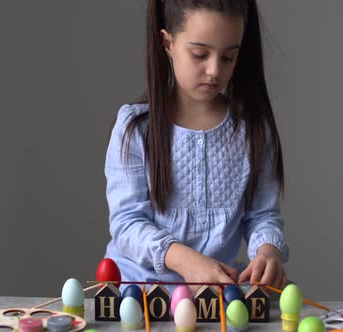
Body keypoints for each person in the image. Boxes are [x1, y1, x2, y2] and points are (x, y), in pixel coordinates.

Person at [103, 0, 289, 292]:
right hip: (139, 291)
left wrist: (267, 252)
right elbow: (127, 223)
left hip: (211, 295)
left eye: (228, 58)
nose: (214, 71)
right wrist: (186, 261)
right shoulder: (136, 128)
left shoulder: (252, 128)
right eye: (200, 54)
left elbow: (263, 215)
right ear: (167, 43)